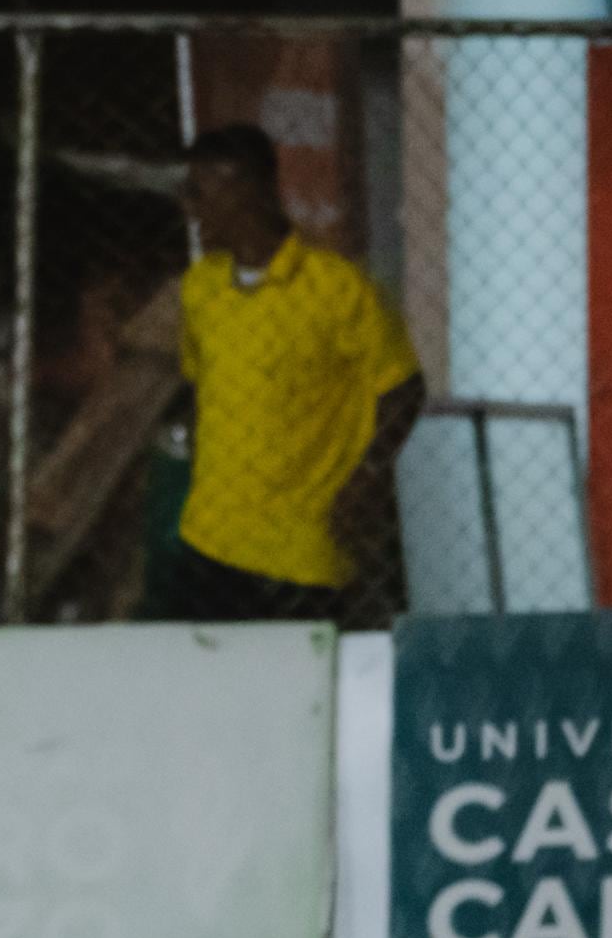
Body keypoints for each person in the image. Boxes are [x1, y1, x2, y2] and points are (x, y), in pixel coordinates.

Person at [164, 123, 422, 625]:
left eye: (199, 192)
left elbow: (405, 390)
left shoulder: (339, 291)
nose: (189, 208)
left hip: (299, 555)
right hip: (208, 540)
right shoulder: (201, 290)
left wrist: (365, 482)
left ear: (246, 191)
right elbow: (200, 388)